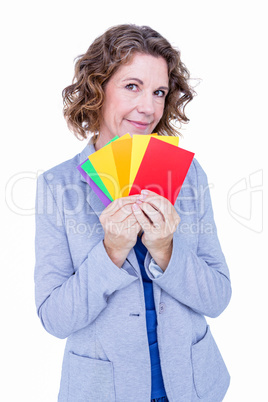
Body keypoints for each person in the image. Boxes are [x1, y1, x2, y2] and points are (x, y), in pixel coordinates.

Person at [34, 24, 232, 402]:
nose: (148, 107)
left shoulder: (188, 174)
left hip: (194, 386)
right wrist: (110, 252)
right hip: (102, 390)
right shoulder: (57, 187)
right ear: (97, 88)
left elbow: (218, 297)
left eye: (159, 92)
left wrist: (167, 251)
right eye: (132, 86)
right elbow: (55, 318)